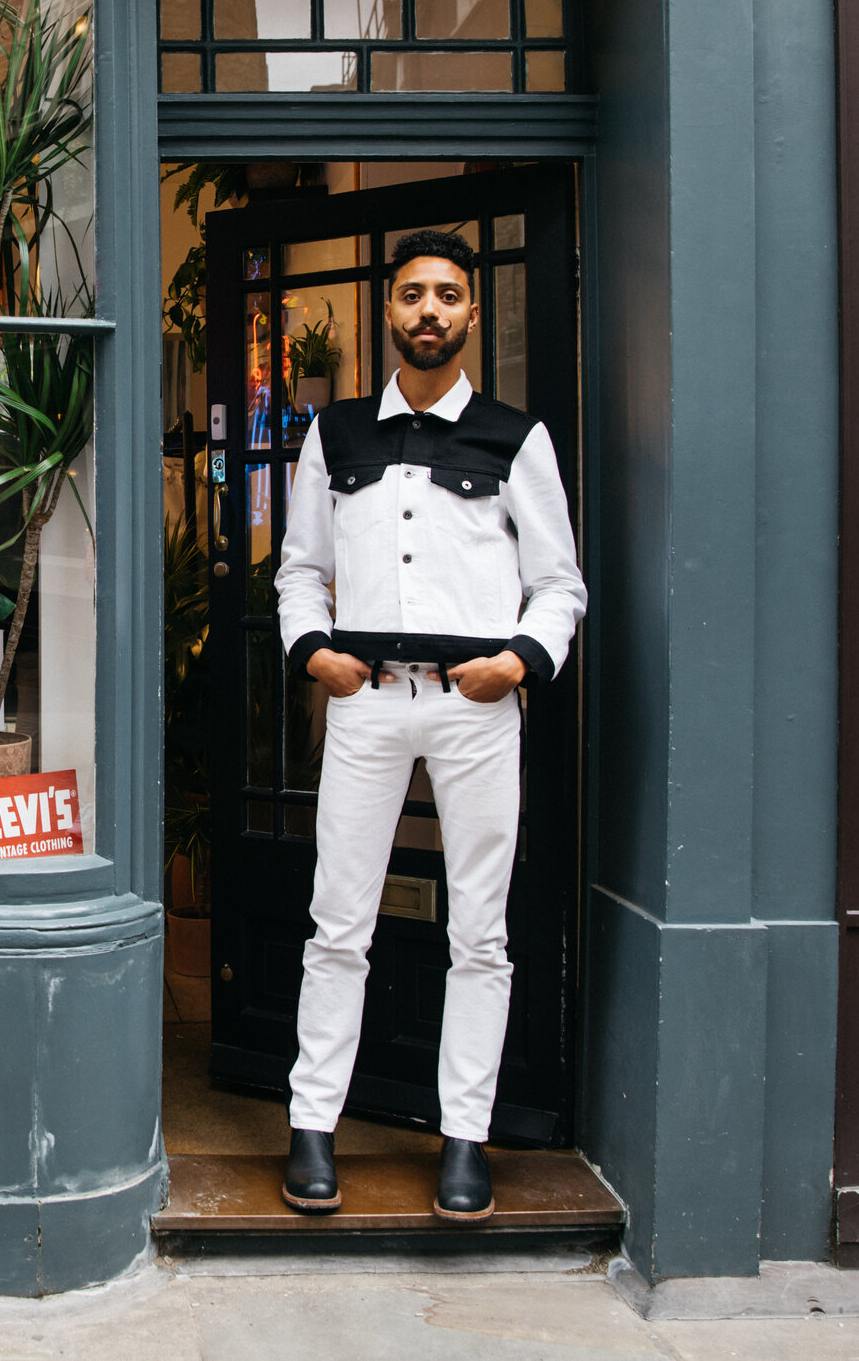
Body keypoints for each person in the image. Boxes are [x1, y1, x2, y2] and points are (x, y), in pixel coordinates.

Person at [273, 230, 587, 1219]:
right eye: (411, 292)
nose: (428, 310)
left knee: (480, 933)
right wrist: (313, 651)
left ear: (467, 312)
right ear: (388, 308)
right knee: (338, 921)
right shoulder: (337, 435)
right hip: (365, 704)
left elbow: (558, 584)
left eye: (447, 294)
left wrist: (518, 662)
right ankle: (312, 1125)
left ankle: (464, 1135)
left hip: (474, 705)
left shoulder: (512, 437)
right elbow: (296, 566)